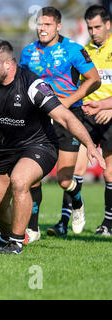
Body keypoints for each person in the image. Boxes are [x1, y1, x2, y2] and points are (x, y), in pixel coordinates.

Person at [0, 39, 105, 255]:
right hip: (6, 149)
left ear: (8, 64)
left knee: (20, 180)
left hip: (41, 145)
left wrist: (89, 144)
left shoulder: (34, 86)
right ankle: (5, 237)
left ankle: (16, 242)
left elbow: (66, 117)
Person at [19, 6, 101, 239]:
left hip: (68, 117)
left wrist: (67, 101)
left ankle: (77, 202)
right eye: (39, 24)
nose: (42, 29)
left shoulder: (73, 49)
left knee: (65, 180)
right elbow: (23, 81)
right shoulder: (28, 52)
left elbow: (93, 80)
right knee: (32, 176)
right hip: (39, 118)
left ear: (58, 26)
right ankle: (32, 229)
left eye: (47, 25)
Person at [77, 4, 112, 237]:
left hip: (110, 114)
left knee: (109, 173)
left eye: (97, 26)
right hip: (88, 117)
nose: (93, 31)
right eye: (90, 28)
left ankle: (108, 223)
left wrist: (109, 108)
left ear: (108, 24)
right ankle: (66, 218)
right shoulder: (84, 51)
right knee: (74, 170)